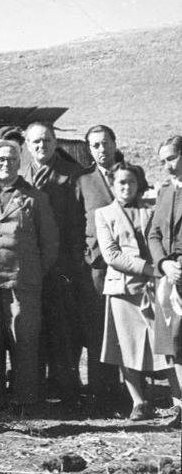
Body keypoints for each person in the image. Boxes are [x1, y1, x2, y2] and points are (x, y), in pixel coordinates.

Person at [0, 138, 59, 414]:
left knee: (23, 338)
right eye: (0, 160)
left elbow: (51, 243)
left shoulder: (35, 197)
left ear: (18, 162)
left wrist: (32, 272)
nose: (5, 164)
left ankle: (25, 399)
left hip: (22, 282)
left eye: (10, 159)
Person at [95, 163, 180, 422]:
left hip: (153, 288)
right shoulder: (103, 214)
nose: (126, 187)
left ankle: (178, 400)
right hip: (122, 289)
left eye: (131, 182)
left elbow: (158, 240)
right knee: (127, 346)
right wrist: (148, 268)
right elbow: (111, 254)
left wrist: (158, 269)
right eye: (120, 182)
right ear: (112, 185)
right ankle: (138, 402)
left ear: (138, 184)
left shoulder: (150, 212)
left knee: (165, 344)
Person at [74, 124, 147, 407]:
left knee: (132, 330)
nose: (101, 150)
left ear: (115, 143)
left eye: (105, 143)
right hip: (98, 268)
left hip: (131, 267)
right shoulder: (83, 181)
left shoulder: (132, 174)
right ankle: (103, 394)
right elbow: (74, 224)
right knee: (99, 332)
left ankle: (137, 396)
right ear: (89, 150)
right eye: (95, 145)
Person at [21, 122, 84, 406]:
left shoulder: (72, 175)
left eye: (46, 140)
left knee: (63, 328)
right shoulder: (21, 174)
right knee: (36, 326)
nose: (41, 146)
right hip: (29, 265)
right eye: (35, 142)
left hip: (62, 264)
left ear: (55, 141)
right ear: (26, 145)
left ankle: (67, 387)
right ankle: (39, 385)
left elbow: (78, 224)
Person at [148, 135, 182, 428]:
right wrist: (164, 263)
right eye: (163, 161)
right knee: (175, 343)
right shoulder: (165, 192)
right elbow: (154, 234)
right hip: (169, 278)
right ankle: (180, 406)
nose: (167, 166)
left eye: (172, 158)